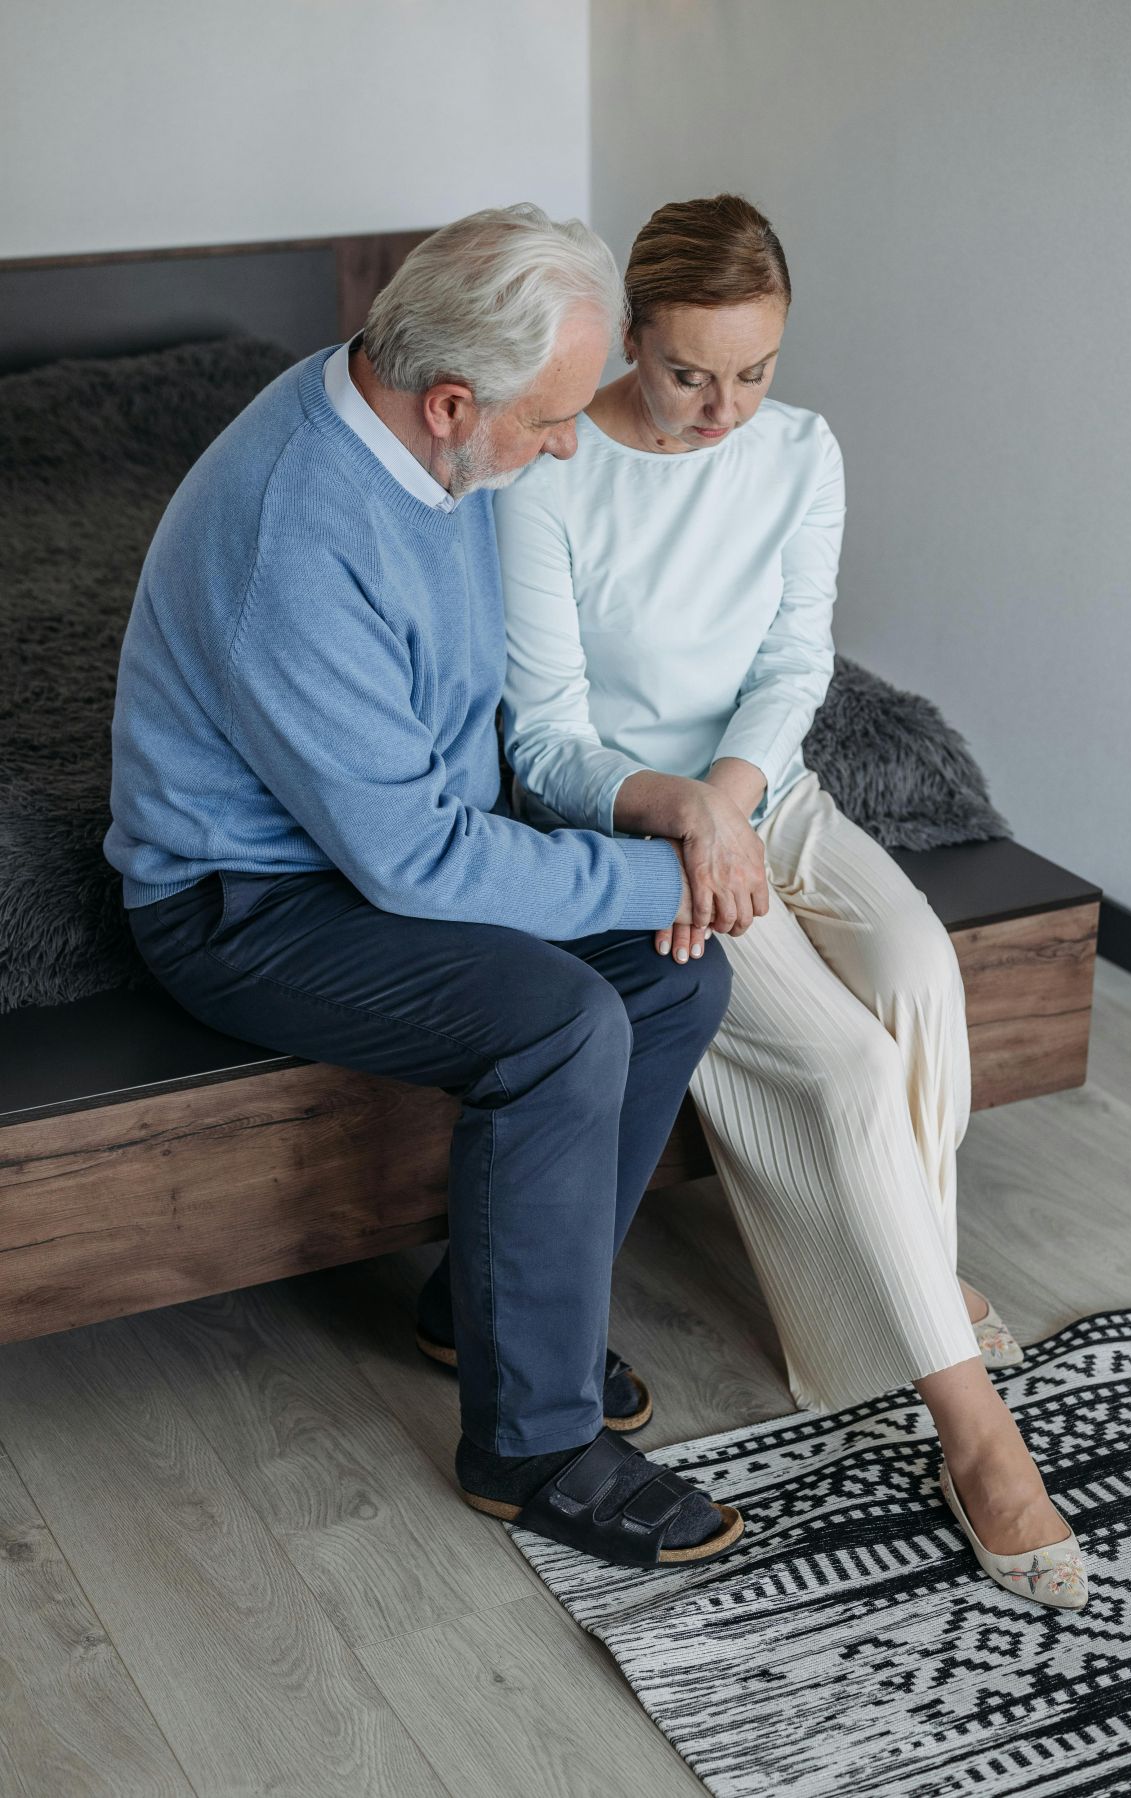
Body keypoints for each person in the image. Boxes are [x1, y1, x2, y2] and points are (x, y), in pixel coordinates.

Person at [103, 204, 745, 1571]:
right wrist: (655, 866)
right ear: (453, 401)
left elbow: (455, 773)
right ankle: (531, 1448)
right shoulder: (295, 532)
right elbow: (417, 863)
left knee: (676, 972)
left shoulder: (424, 440)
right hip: (243, 899)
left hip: (385, 844)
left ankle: (486, 1310)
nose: (566, 444)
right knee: (560, 1024)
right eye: (552, 421)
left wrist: (655, 849)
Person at [493, 194, 1088, 1609]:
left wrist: (738, 794)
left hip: (773, 791)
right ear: (629, 338)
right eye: (689, 373)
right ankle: (974, 1430)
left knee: (922, 979)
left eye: (753, 372)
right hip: (638, 819)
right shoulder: (550, 477)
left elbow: (791, 662)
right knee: (842, 1063)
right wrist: (687, 812)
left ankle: (904, 1287)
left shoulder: (801, 450)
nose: (724, 409)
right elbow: (545, 739)